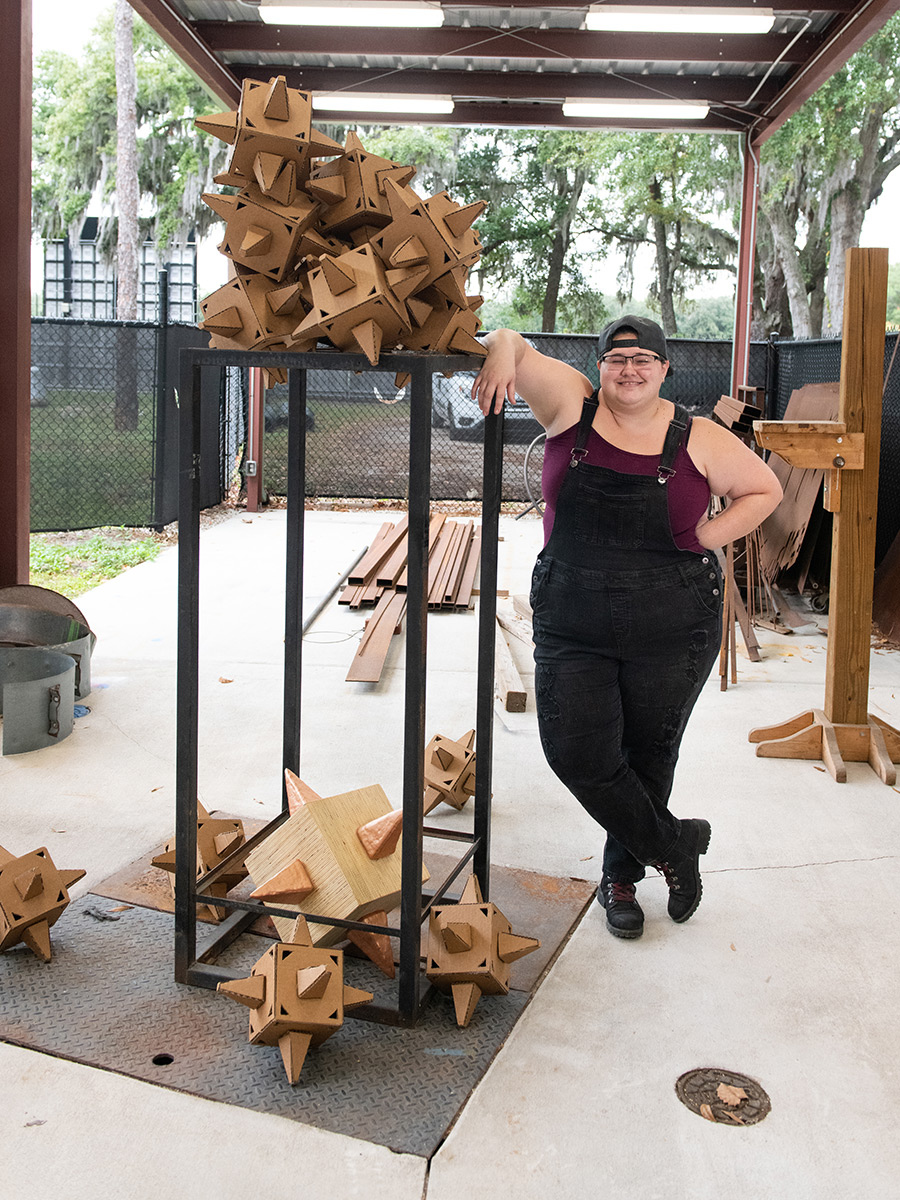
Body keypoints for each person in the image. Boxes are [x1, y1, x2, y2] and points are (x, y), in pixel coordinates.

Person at [472, 316, 782, 939]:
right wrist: (503, 347)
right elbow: (512, 343)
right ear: (600, 368)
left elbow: (764, 490)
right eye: (617, 359)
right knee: (576, 753)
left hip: (672, 623)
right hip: (573, 618)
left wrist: (702, 536)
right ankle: (674, 845)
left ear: (666, 369)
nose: (630, 369)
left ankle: (620, 879)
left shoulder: (697, 435)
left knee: (648, 754)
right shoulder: (569, 408)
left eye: (644, 359)